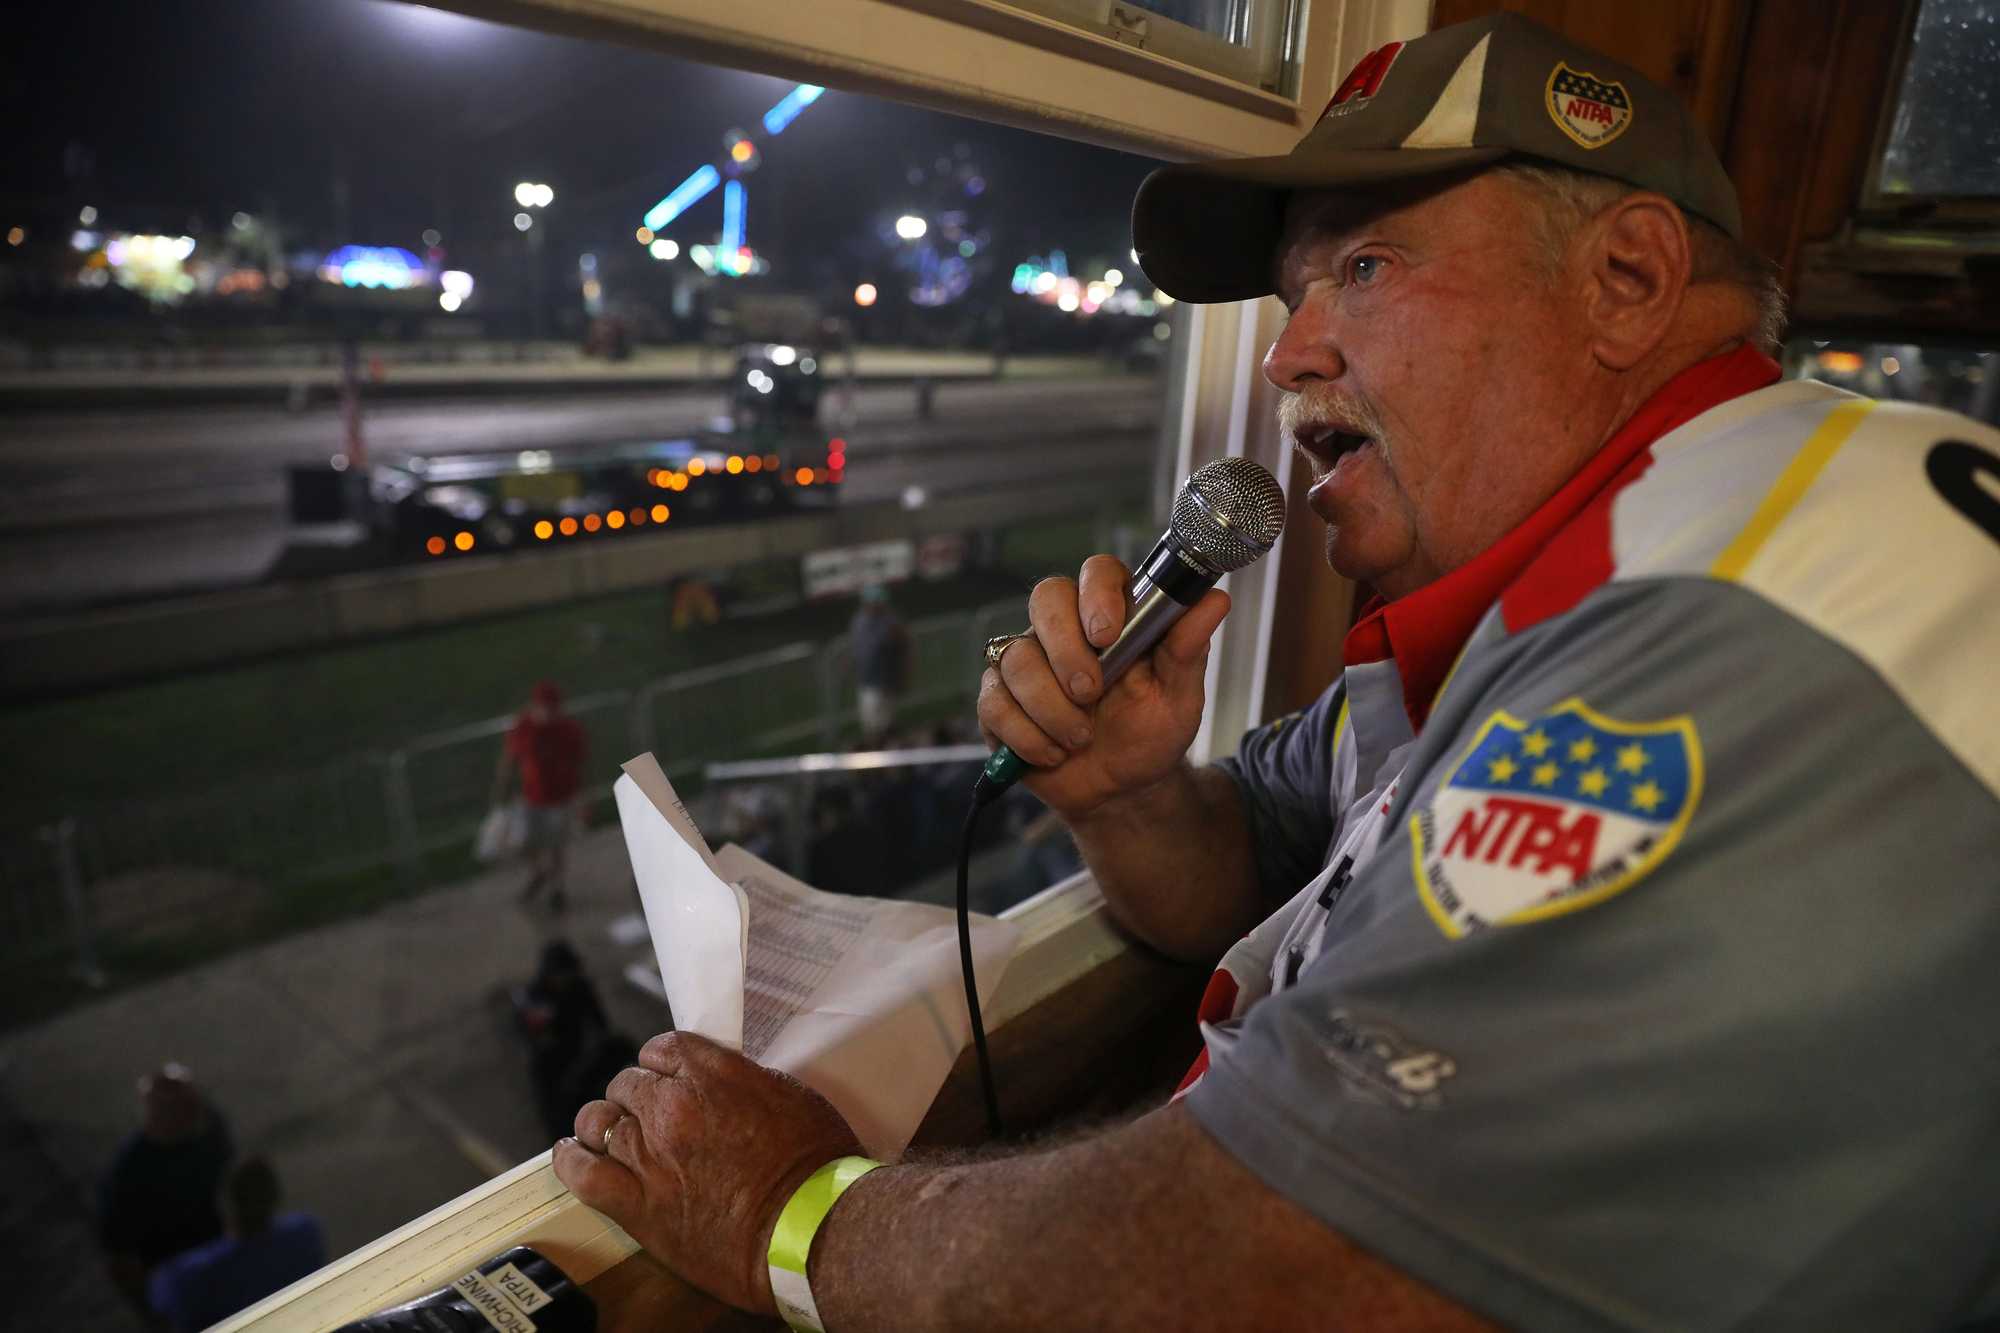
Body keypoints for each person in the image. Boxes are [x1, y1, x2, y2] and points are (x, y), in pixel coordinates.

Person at [550, 15, 2000, 1330]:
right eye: (1298, 291)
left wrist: (785, 1212)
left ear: (1626, 279)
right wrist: (1127, 794)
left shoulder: (1738, 611)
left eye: (1364, 267)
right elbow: (1253, 870)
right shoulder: (1556, 589)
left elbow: (1294, 1266)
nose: (1288, 357)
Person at [97, 1063, 235, 1318]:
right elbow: (117, 1250)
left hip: (219, 1259)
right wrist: (151, 1307)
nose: (193, 1111)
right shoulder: (130, 1170)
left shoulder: (210, 1133)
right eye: (179, 1108)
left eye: (192, 1102)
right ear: (154, 1115)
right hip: (173, 1277)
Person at [145, 1156, 326, 1332]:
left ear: (224, 1204)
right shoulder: (304, 1235)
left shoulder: (186, 1278)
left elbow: (160, 1301)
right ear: (275, 1195)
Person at [493, 680, 587, 910]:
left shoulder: (569, 730)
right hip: (532, 798)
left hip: (560, 798)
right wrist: (501, 791)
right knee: (524, 842)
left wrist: (583, 798)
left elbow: (581, 764)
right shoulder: (524, 727)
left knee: (556, 846)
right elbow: (510, 760)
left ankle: (557, 888)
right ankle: (539, 872)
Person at [848, 584, 911, 747]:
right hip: (868, 679)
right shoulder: (859, 621)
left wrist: (903, 673)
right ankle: (875, 752)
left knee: (885, 721)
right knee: (871, 722)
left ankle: (884, 752)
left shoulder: (891, 622)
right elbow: (858, 648)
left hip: (886, 679)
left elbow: (903, 646)